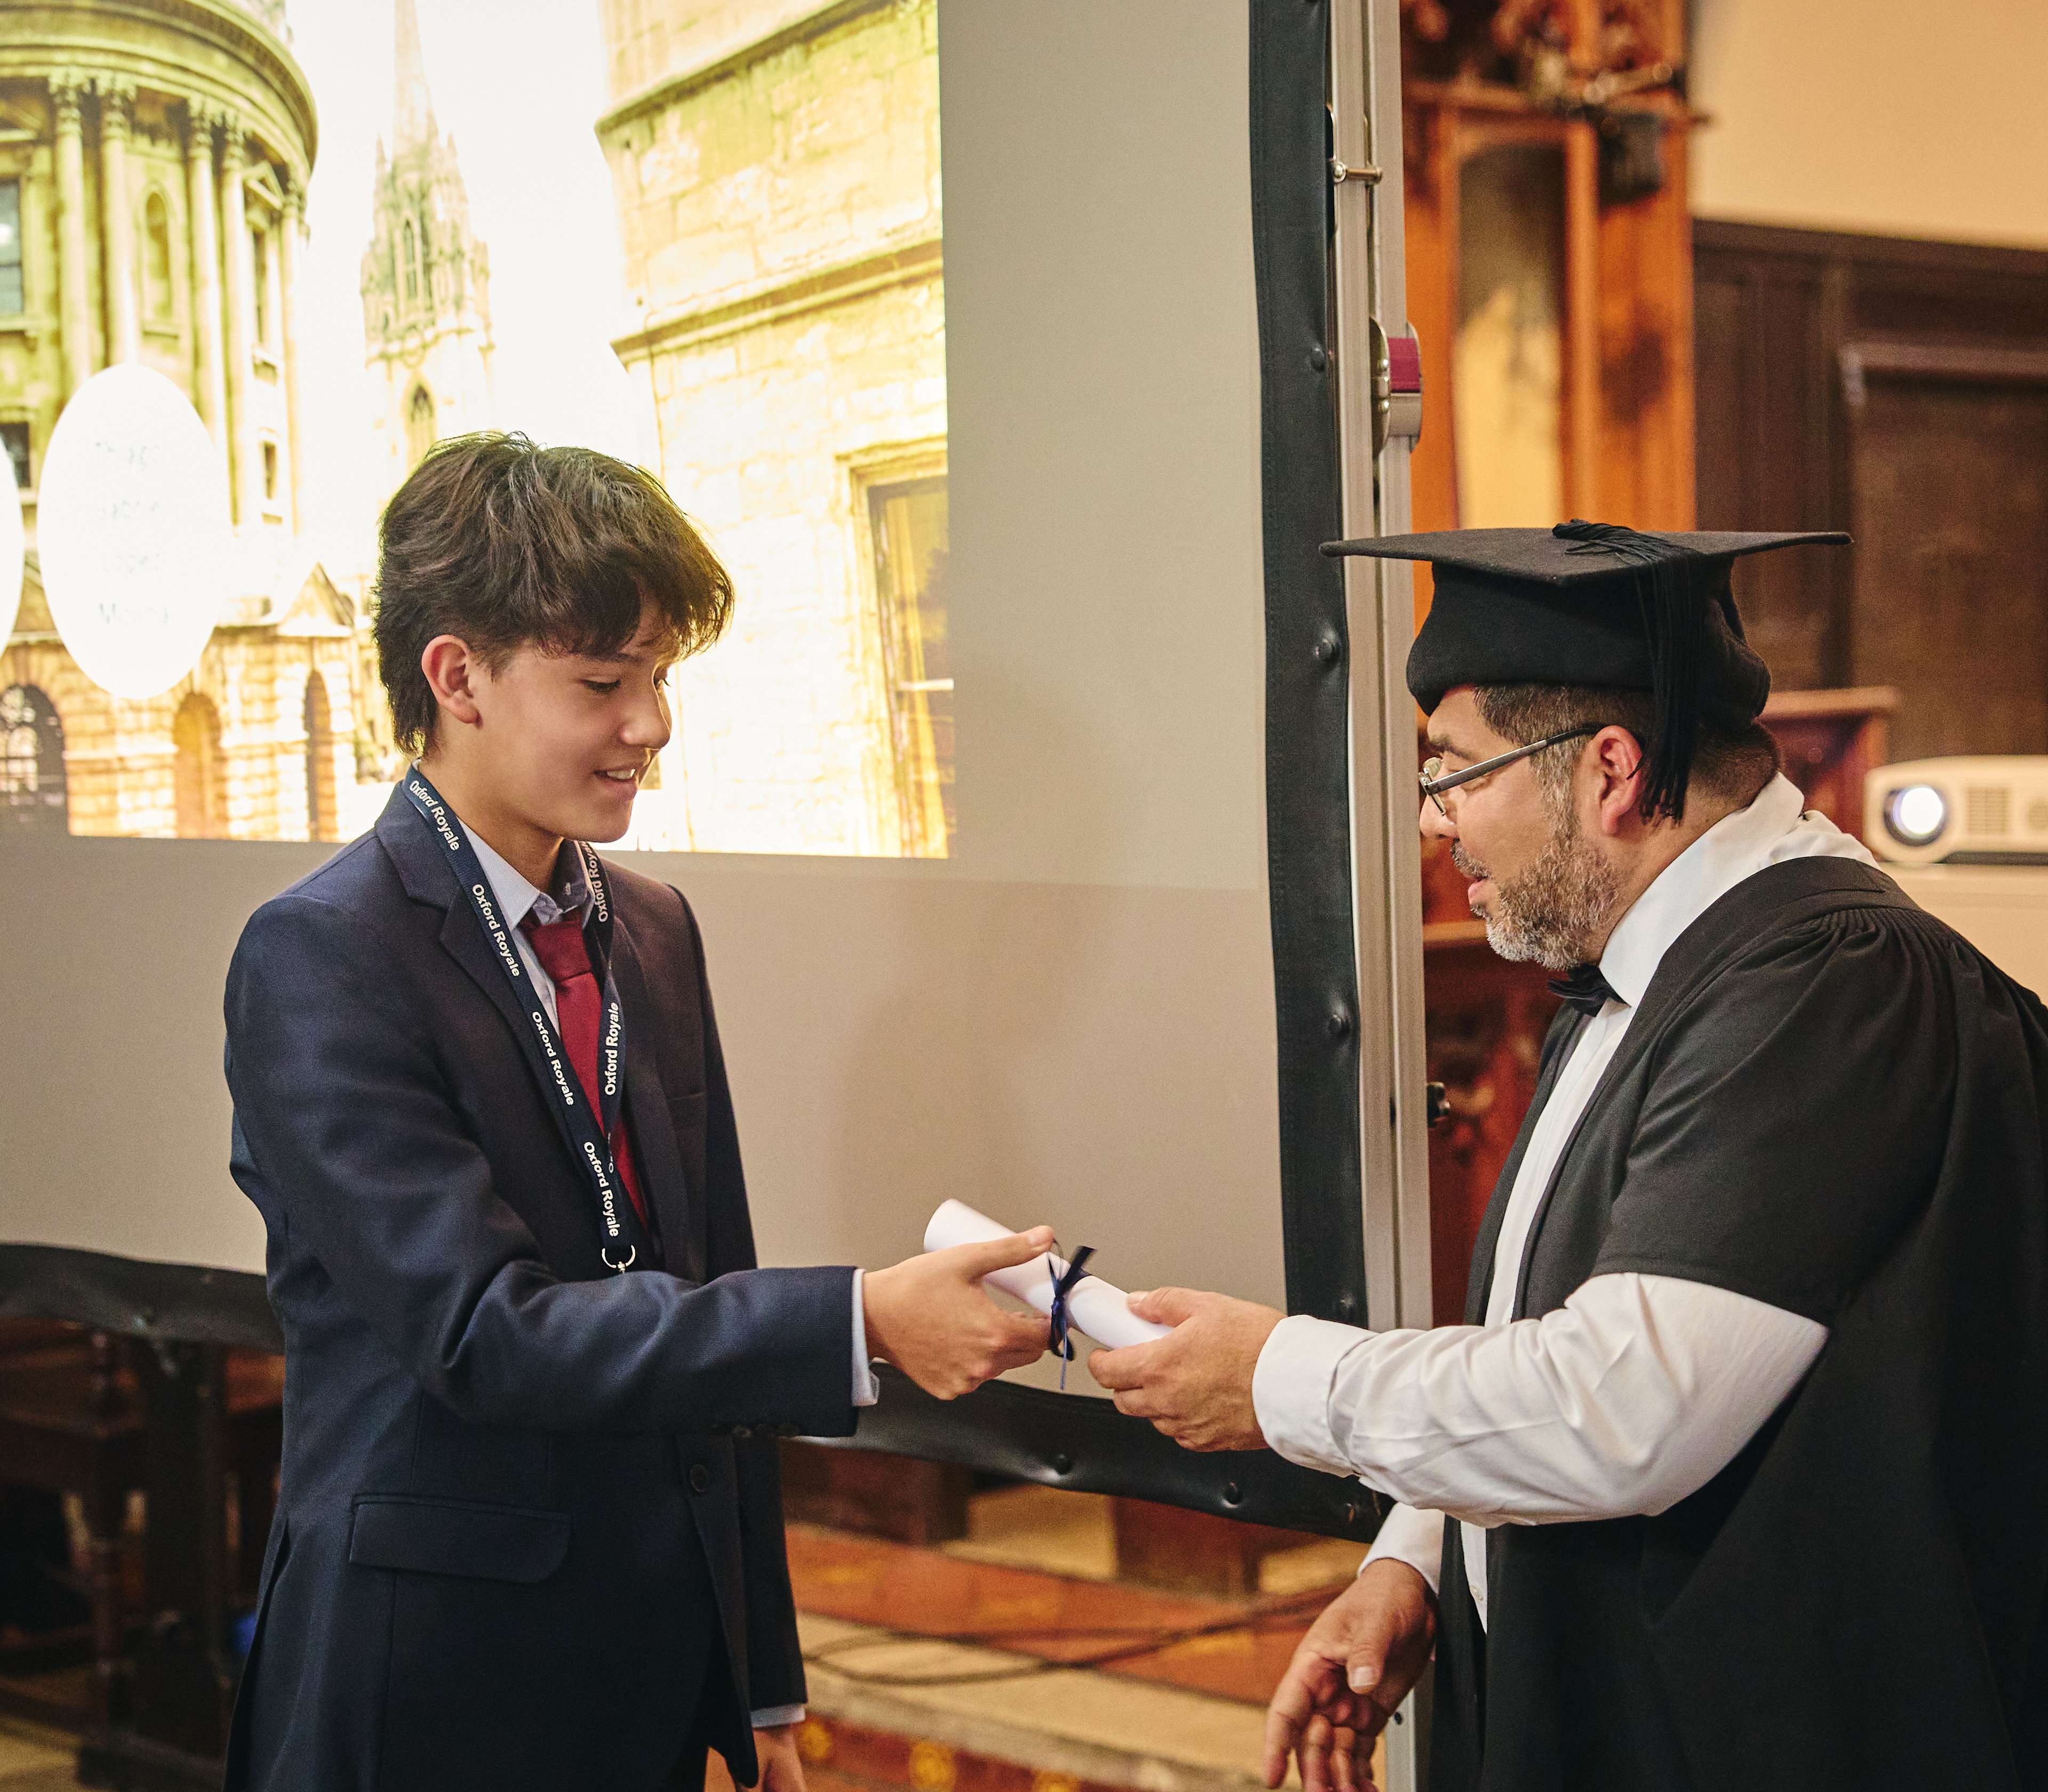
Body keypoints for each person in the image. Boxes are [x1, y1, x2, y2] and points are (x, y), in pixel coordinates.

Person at [1089, 522, 2048, 1792]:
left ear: (1609, 769)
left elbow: (1627, 1402)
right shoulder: (1645, 972)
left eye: (1456, 772)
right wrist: (1414, 1558)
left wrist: (1276, 1379)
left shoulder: (1828, 983)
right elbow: (1542, 1327)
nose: (1435, 824)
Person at [221, 433, 1052, 1792]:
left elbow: (707, 1282)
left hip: (651, 1667)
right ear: (455, 678)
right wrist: (861, 1317)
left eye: (659, 678)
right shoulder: (321, 955)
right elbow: (485, 1334)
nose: (651, 725)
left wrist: (763, 1680)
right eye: (604, 682)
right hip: (430, 1676)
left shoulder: (651, 926)